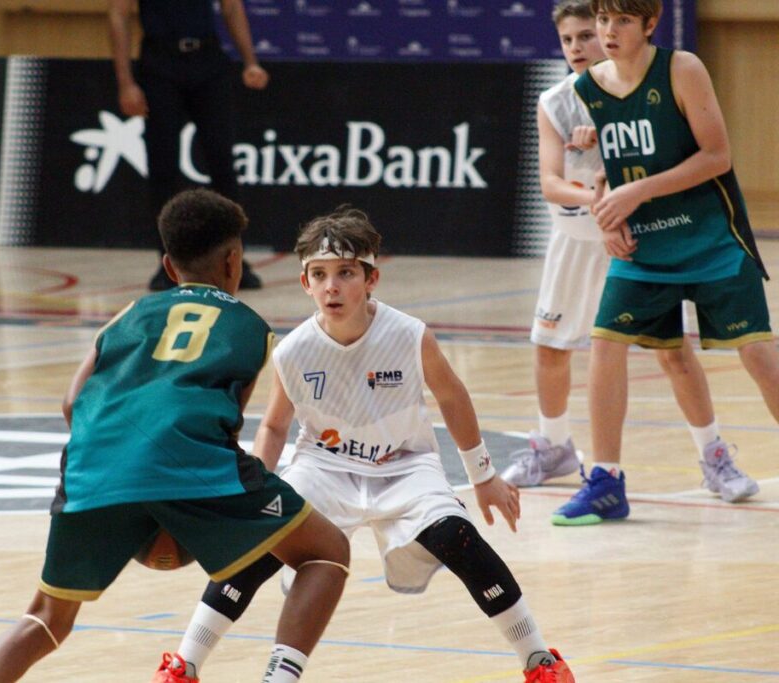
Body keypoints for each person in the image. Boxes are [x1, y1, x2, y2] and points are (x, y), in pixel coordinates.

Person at [151, 207, 574, 682]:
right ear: (305, 283)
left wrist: (484, 476)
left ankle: (540, 662)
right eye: (320, 274)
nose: (332, 286)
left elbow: (453, 397)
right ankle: (184, 666)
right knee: (258, 544)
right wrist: (254, 494)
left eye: (346, 273)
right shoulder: (293, 350)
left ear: (372, 279)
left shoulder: (409, 335)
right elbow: (273, 427)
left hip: (404, 464)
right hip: (322, 468)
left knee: (457, 537)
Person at [0, 189, 349, 683]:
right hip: (191, 464)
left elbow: (70, 404)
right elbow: (226, 423)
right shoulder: (250, 327)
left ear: (168, 265)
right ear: (235, 261)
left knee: (45, 619)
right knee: (325, 551)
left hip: (92, 470)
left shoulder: (126, 315)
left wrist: (123, 480)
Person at [503, 0, 759, 516]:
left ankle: (714, 456)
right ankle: (555, 446)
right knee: (551, 346)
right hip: (580, 238)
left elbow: (669, 158)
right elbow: (552, 182)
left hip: (639, 239)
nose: (580, 46)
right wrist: (599, 203)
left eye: (588, 35)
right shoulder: (558, 99)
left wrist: (611, 188)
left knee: (672, 352)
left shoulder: (648, 81)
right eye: (570, 39)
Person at [108, 0, 267, 291]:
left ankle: (234, 260)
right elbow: (119, 14)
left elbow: (231, 7)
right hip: (159, 61)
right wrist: (125, 82)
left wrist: (250, 61)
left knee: (222, 166)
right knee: (163, 169)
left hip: (208, 59)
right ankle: (169, 263)